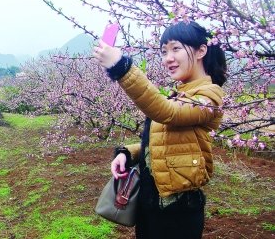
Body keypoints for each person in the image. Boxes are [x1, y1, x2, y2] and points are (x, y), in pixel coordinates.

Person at [93, 21, 227, 239]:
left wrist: (122, 67)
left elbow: (167, 112)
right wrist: (128, 153)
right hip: (151, 203)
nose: (168, 59)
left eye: (175, 49)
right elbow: (167, 142)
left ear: (201, 50)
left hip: (177, 211)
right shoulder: (179, 94)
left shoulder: (209, 97)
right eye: (164, 52)